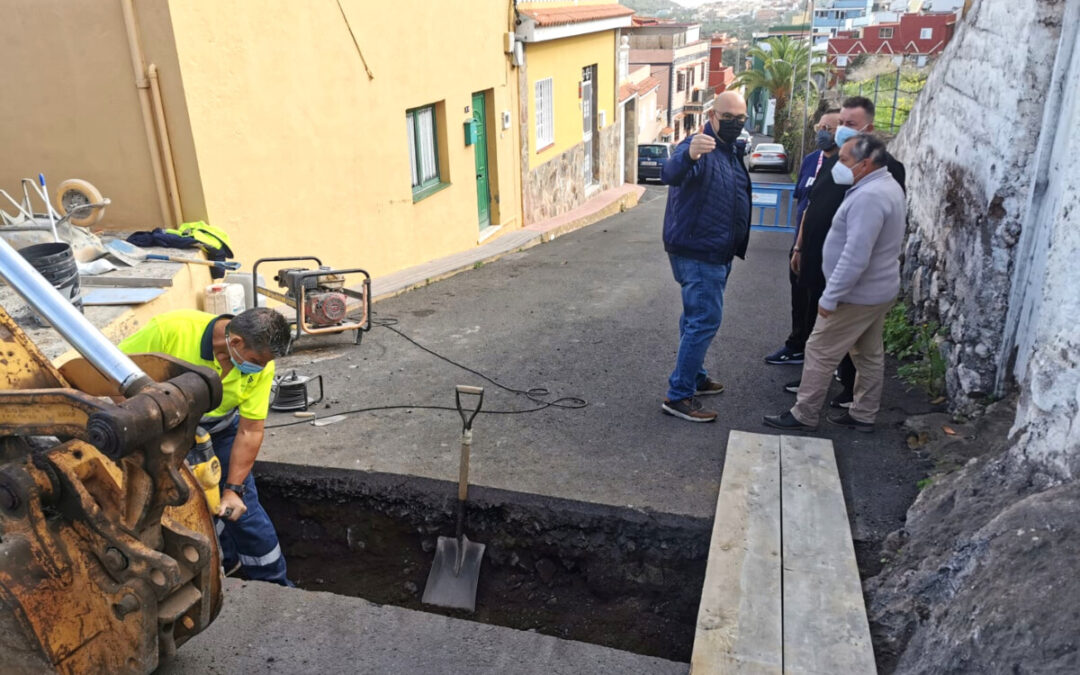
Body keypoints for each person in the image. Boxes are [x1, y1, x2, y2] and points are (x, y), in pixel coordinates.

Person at [119, 307, 293, 584]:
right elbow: (113, 371)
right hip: (163, 432)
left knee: (242, 509)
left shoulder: (262, 364)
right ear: (235, 342)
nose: (261, 369)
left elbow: (250, 430)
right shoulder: (172, 329)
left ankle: (275, 583)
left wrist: (234, 489)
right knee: (181, 507)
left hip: (222, 432)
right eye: (255, 361)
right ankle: (219, 569)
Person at [764, 133, 906, 432]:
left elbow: (856, 255)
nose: (837, 166)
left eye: (844, 160)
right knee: (868, 353)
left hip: (857, 294)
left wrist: (830, 297)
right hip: (877, 290)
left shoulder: (870, 196)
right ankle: (864, 413)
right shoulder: (884, 185)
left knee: (819, 348)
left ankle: (804, 413)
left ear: (865, 164)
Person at [659, 91, 752, 423]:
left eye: (740, 120)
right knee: (704, 321)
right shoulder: (697, 145)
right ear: (712, 115)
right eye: (728, 119)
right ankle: (679, 395)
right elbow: (670, 173)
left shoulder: (728, 150)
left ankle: (696, 377)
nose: (735, 125)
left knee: (694, 317)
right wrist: (689, 157)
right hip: (699, 252)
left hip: (717, 251)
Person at [763, 109, 841, 366]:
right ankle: (796, 346)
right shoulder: (810, 160)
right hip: (800, 246)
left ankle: (818, 356)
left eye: (829, 129)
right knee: (799, 300)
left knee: (819, 305)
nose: (823, 133)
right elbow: (804, 202)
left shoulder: (845, 166)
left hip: (826, 250)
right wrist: (797, 247)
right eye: (821, 127)